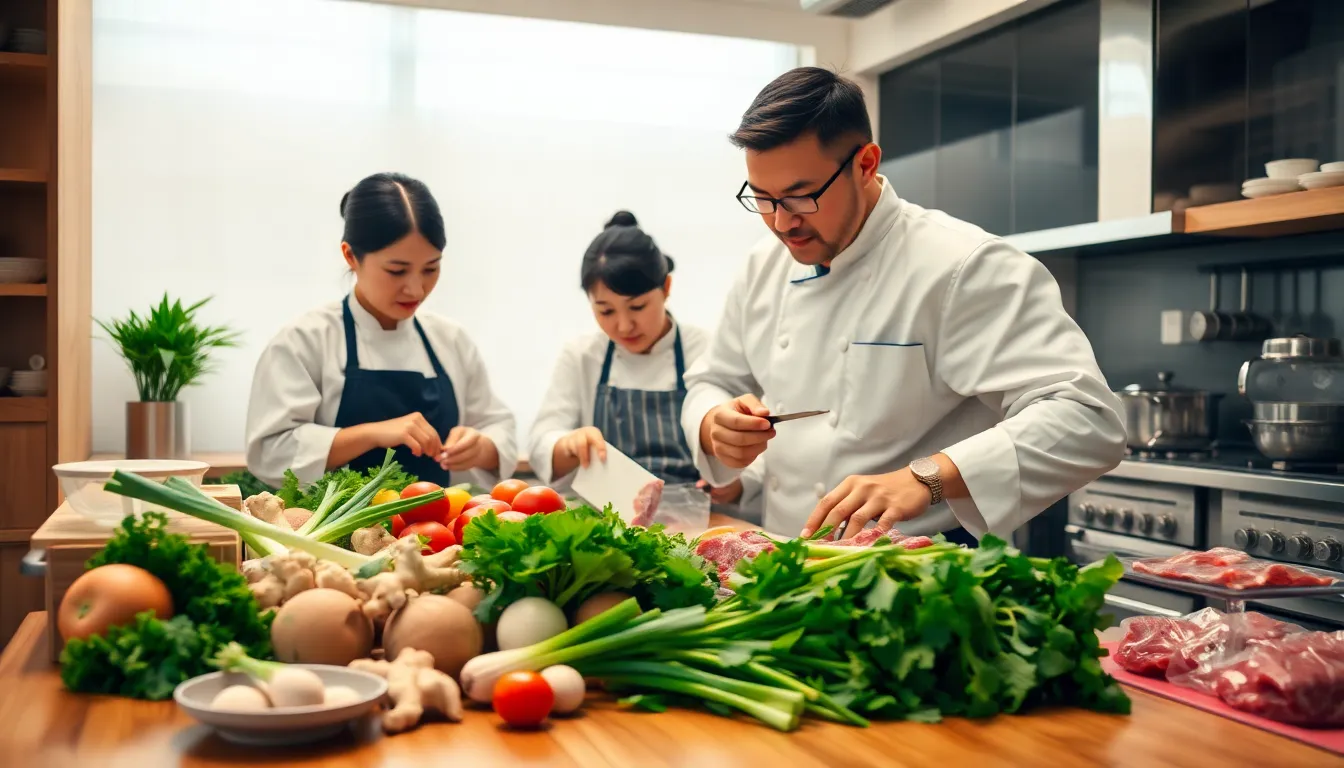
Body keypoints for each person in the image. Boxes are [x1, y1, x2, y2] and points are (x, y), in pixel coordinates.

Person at [682, 68, 1126, 544]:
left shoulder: (962, 264)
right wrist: (715, 423)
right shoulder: (763, 265)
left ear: (866, 163)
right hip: (786, 560)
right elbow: (714, 380)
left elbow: (1088, 418)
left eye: (800, 197)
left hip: (918, 570)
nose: (781, 222)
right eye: (763, 199)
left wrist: (928, 476)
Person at [245, 172, 517, 489]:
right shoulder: (304, 341)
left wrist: (482, 447)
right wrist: (372, 434)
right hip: (336, 534)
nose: (416, 288)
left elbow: (497, 424)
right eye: (396, 270)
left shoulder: (450, 339)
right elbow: (270, 451)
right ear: (350, 256)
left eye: (431, 268)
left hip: (436, 533)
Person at [528, 211, 761, 510]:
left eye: (637, 307)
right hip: (609, 519)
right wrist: (568, 444)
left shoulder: (706, 349)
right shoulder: (582, 355)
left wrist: (735, 483)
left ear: (666, 288)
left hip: (699, 521)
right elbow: (541, 441)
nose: (624, 326)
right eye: (605, 311)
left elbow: (755, 434)